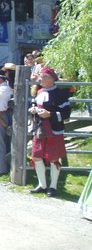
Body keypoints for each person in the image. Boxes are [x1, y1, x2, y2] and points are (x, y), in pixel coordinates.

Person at [28, 67, 71, 197]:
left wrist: (50, 115)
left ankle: (53, 186)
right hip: (40, 129)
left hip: (54, 130)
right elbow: (35, 105)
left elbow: (66, 114)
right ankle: (42, 184)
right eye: (40, 76)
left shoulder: (61, 94)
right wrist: (34, 110)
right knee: (36, 156)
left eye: (43, 76)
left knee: (53, 158)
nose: (40, 79)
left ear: (51, 79)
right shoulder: (39, 91)